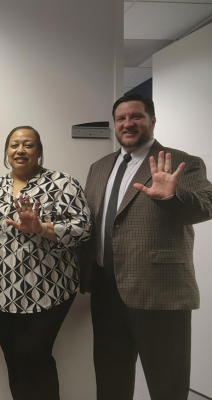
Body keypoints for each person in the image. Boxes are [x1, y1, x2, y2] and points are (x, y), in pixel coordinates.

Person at [79, 94, 212, 400]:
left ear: (152, 120)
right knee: (111, 380)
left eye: (136, 117)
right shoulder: (99, 167)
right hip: (106, 290)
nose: (128, 124)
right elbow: (90, 223)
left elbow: (205, 207)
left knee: (167, 385)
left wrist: (170, 196)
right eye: (121, 118)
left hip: (159, 291)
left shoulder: (181, 161)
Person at [0, 126, 91, 400]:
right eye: (14, 145)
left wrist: (42, 228)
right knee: (13, 359)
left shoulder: (62, 183)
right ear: (7, 151)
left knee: (34, 356)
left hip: (48, 289)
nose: (21, 150)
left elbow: (83, 228)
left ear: (39, 151)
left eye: (28, 145)